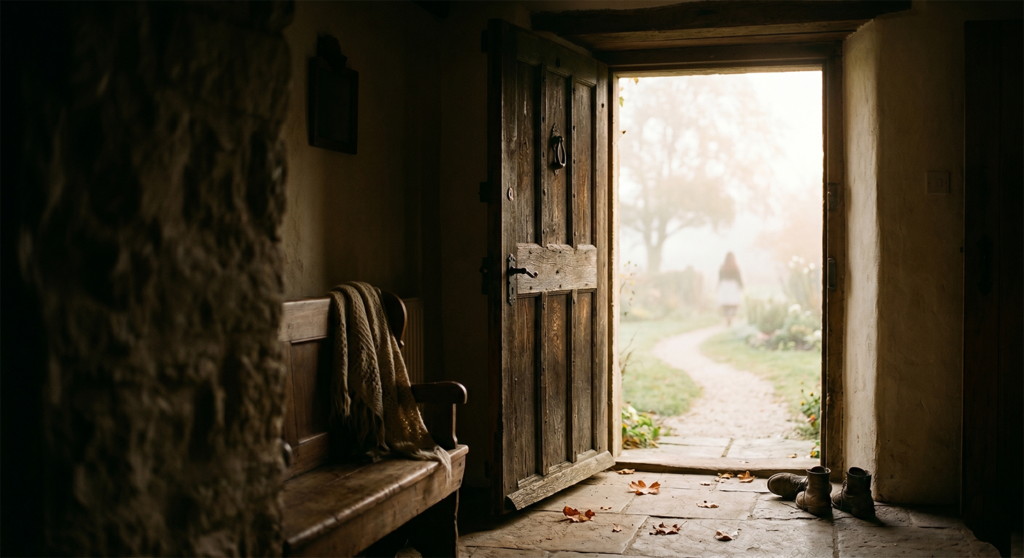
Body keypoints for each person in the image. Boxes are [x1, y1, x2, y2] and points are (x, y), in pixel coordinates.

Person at [717, 252, 743, 326]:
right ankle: (730, 316)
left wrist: (718, 287)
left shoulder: (722, 267)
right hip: (733, 286)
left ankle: (727, 318)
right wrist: (741, 286)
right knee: (734, 304)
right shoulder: (735, 267)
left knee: (726, 304)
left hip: (724, 285)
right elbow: (738, 278)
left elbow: (720, 278)